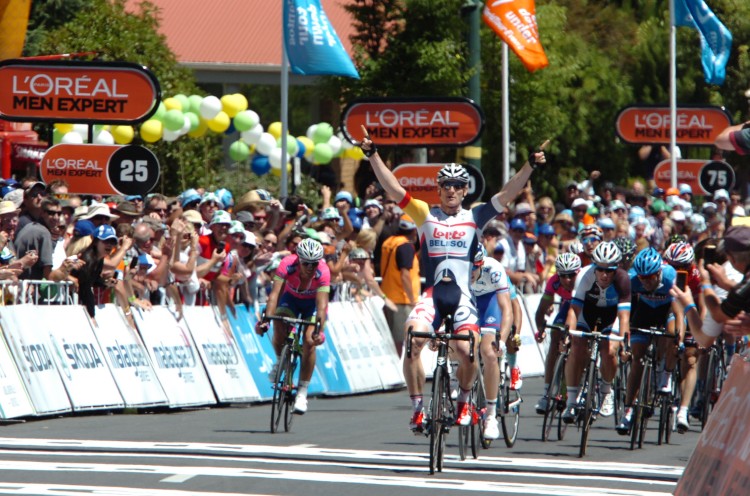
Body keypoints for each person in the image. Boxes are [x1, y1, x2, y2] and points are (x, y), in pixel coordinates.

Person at [358, 126, 545, 432]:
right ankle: (418, 409)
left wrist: (530, 166)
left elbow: (507, 193)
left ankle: (465, 401)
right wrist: (372, 155)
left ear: (465, 190)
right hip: (432, 296)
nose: (452, 190)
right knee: (412, 339)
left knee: (469, 351)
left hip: (463, 299)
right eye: (446, 185)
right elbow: (393, 187)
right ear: (439, 188)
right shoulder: (424, 214)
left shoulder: (475, 217)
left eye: (458, 185)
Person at [255, 238, 329, 414]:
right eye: (306, 263)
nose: (310, 267)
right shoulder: (287, 264)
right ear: (299, 260)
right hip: (291, 300)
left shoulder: (323, 271)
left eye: (314, 263)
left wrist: (319, 331)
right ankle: (280, 360)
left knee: (309, 341)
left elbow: (321, 306)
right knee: (279, 320)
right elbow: (274, 295)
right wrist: (266, 320)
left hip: (312, 305)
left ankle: (302, 392)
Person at [563, 241, 631, 423]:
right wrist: (568, 334)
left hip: (611, 316)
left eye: (609, 270)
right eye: (600, 269)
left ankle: (606, 390)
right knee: (576, 347)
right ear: (594, 266)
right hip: (587, 313)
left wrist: (624, 342)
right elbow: (574, 310)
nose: (604, 275)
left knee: (609, 350)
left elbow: (624, 316)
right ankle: (571, 401)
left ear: (616, 269)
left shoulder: (623, 279)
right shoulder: (584, 275)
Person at [616, 248, 679, 435]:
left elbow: (679, 310)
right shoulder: (632, 279)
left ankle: (664, 374)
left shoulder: (670, 276)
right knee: (637, 359)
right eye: (642, 278)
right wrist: (624, 338)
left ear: (659, 273)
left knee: (671, 334)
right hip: (643, 311)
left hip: (667, 310)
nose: (646, 281)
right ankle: (628, 411)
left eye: (650, 277)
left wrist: (679, 337)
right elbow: (625, 311)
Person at [470, 245, 513, 440]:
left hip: (490, 302)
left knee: (488, 352)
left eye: (474, 267)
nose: (470, 272)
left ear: (481, 264)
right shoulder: (457, 268)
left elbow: (507, 309)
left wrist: (502, 340)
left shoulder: (493, 269)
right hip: (469, 301)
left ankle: (491, 415)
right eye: (467, 267)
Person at [534, 253, 582, 414]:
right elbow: (541, 309)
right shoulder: (553, 282)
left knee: (579, 342)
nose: (567, 280)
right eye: (563, 276)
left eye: (571, 275)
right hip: (568, 306)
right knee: (555, 336)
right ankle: (546, 393)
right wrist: (540, 329)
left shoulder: (584, 280)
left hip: (585, 307)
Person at [379, 214, 420, 356]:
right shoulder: (405, 246)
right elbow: (405, 275)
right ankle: (399, 366)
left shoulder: (389, 242)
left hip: (388, 297)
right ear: (414, 230)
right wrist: (413, 300)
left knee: (392, 339)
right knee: (401, 340)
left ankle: (395, 365)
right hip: (402, 300)